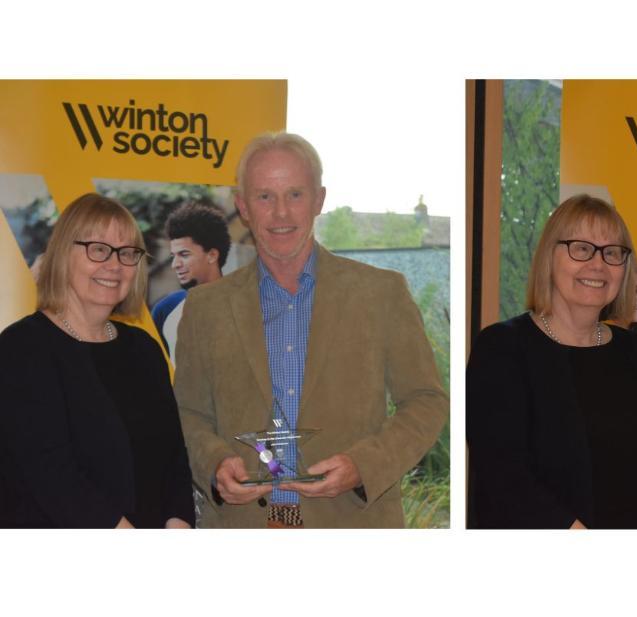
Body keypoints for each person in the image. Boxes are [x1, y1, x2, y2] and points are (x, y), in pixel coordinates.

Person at [174, 132, 447, 528]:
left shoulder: (381, 293)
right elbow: (188, 413)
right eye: (265, 197)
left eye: (295, 195)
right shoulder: (204, 308)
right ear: (243, 207)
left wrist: (363, 466)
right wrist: (213, 463)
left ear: (319, 200)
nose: (281, 213)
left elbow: (426, 401)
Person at [466, 194, 637, 528]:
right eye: (581, 248)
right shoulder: (502, 350)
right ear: (549, 258)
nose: (597, 264)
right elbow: (504, 476)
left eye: (612, 252)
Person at [0, 193, 194, 528]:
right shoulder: (21, 348)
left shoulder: (144, 349)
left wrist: (179, 522)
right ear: (62, 254)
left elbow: (174, 456)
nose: (115, 264)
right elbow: (50, 474)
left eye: (127, 252)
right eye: (98, 249)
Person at [151, 201, 230, 366]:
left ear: (212, 255)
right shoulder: (166, 309)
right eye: (173, 256)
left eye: (184, 254)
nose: (175, 264)